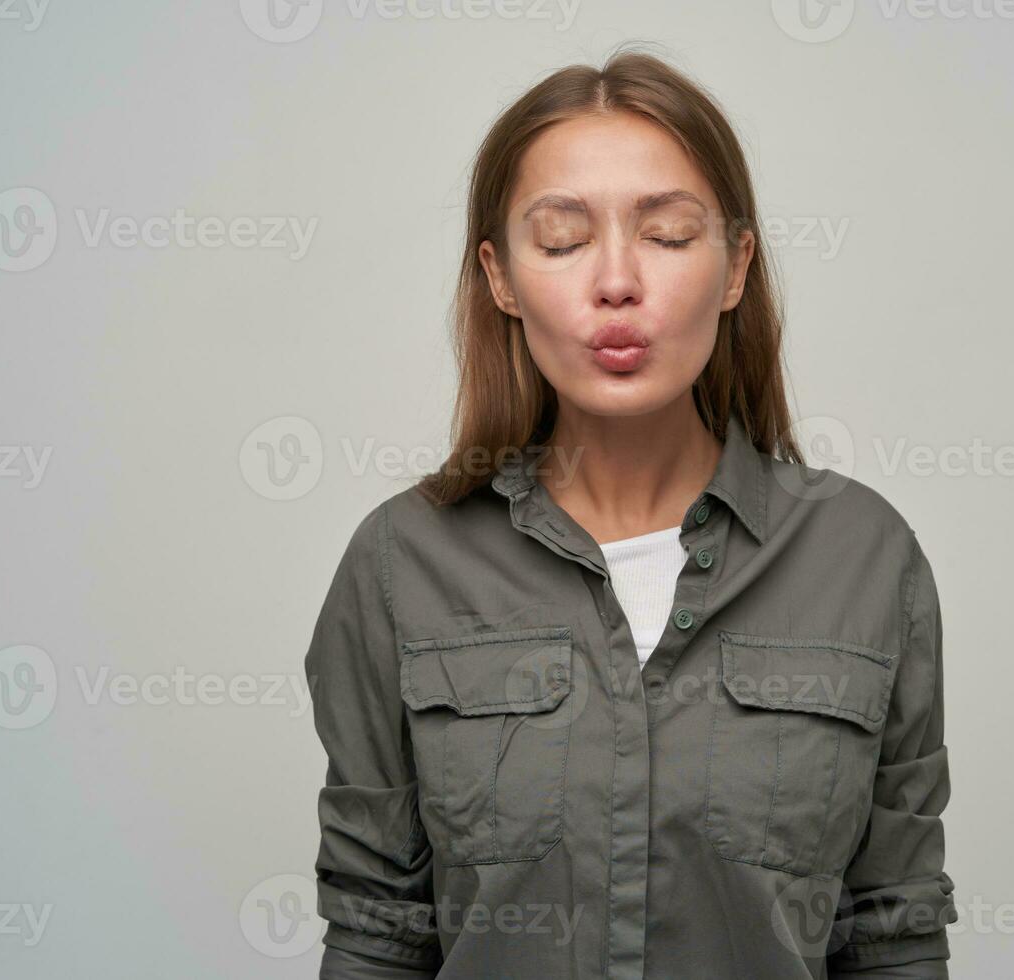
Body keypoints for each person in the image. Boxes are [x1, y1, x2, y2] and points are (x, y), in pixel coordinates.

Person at [304, 45, 956, 979]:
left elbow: (894, 933)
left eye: (669, 234)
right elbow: (377, 932)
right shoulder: (401, 564)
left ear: (735, 268)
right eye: (563, 240)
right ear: (500, 278)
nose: (616, 282)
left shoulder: (864, 557)